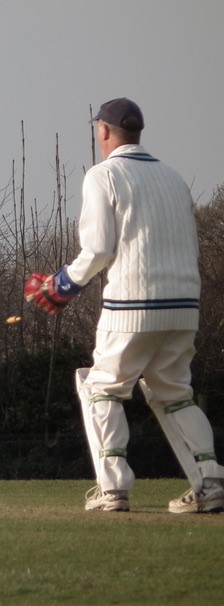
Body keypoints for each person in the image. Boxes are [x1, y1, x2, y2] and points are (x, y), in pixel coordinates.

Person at [24, 97, 224, 513]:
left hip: (133, 305)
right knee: (175, 394)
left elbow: (98, 248)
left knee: (101, 387)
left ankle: (113, 488)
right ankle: (210, 481)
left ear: (103, 131)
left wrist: (60, 286)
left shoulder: (103, 176)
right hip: (185, 305)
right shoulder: (173, 178)